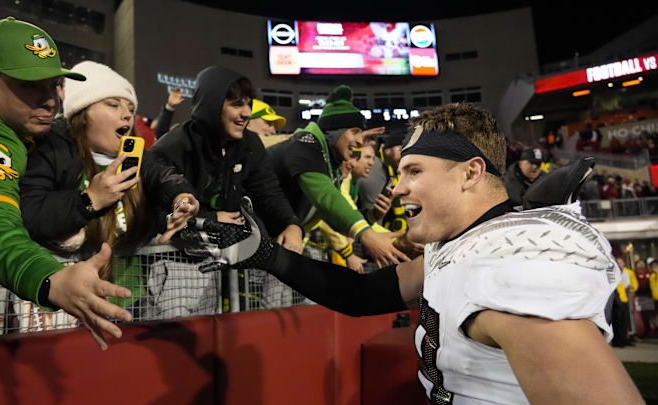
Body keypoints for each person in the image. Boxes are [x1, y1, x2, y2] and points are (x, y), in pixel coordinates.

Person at [186, 103, 643, 404]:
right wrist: (269, 256)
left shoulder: (510, 265)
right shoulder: (461, 249)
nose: (397, 186)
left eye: (414, 170)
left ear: (471, 172)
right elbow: (363, 296)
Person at [0, 17, 136, 349]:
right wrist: (50, 278)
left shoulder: (12, 120)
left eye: (54, 85)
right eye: (29, 86)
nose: (50, 100)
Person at [19, 61, 199, 314]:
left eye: (130, 108)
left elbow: (165, 177)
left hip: (130, 300)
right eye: (113, 105)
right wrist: (89, 199)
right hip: (68, 306)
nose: (127, 114)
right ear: (82, 115)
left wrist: (182, 199)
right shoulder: (51, 149)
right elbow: (29, 213)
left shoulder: (136, 157)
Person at [151, 65, 303, 254]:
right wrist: (209, 219)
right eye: (237, 104)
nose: (247, 113)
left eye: (249, 104)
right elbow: (155, 213)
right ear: (211, 105)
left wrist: (292, 224)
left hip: (226, 257)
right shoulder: (172, 146)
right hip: (176, 259)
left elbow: (268, 192)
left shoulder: (250, 144)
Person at [266, 85, 409, 267]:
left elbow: (334, 217)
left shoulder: (330, 162)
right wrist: (366, 235)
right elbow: (327, 198)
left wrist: (373, 219)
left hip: (271, 238)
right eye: (355, 132)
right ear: (334, 131)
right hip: (247, 230)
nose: (359, 142)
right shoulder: (305, 143)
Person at [358, 130, 408, 231]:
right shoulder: (375, 169)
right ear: (387, 151)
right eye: (400, 149)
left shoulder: (396, 171)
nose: (405, 155)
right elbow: (373, 218)